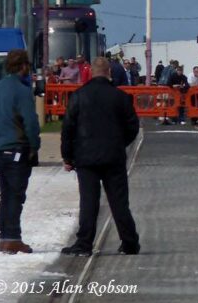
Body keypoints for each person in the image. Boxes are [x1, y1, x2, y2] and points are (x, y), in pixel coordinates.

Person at [60, 57, 140, 257]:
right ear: (109, 73)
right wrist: (120, 143)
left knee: (89, 202)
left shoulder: (78, 96)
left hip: (85, 158)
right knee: (119, 201)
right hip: (113, 156)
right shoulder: (120, 97)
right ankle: (129, 242)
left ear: (91, 73)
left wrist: (68, 157)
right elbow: (132, 126)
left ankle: (84, 243)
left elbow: (68, 129)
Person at [0, 50, 40, 254]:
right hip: (16, 148)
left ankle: (4, 236)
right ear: (23, 66)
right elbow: (31, 123)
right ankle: (12, 238)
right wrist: (34, 146)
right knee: (16, 195)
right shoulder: (21, 90)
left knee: (6, 193)